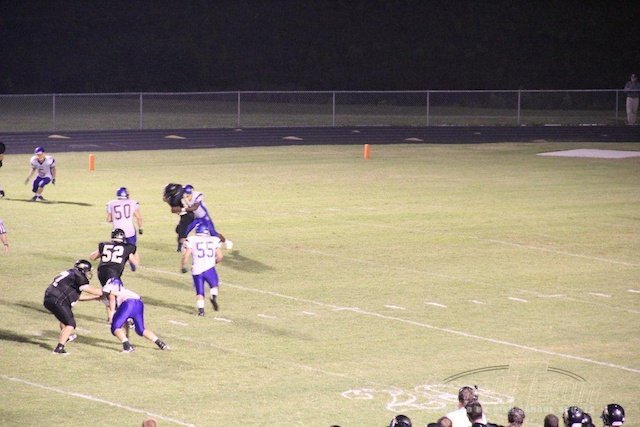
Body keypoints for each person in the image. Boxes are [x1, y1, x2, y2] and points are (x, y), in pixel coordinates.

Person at [43, 259, 103, 354]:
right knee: (70, 324)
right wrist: (110, 292)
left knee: (64, 320)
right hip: (58, 300)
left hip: (49, 298)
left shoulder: (70, 273)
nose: (89, 273)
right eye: (88, 271)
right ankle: (59, 348)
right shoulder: (79, 277)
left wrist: (95, 298)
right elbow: (94, 291)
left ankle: (66, 337)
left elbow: (76, 297)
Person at [102, 277, 168, 352]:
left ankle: (127, 347)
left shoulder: (112, 292)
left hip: (128, 304)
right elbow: (125, 320)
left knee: (115, 327)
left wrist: (111, 315)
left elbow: (112, 301)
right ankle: (160, 343)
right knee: (141, 330)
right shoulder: (125, 291)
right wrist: (127, 335)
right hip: (139, 303)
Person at [90, 228, 139, 321]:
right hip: (113, 273)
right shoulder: (128, 247)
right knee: (116, 295)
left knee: (108, 293)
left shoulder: (104, 245)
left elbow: (92, 257)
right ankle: (116, 316)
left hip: (101, 272)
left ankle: (110, 316)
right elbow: (135, 263)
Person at [180, 223, 224, 316]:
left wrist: (183, 266)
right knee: (214, 286)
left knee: (199, 291)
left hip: (196, 269)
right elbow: (220, 256)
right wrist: (214, 262)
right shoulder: (213, 240)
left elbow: (186, 255)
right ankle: (213, 296)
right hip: (209, 267)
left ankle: (201, 311)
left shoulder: (192, 240)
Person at [180, 184, 232, 250]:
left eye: (187, 194)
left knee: (213, 233)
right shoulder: (183, 198)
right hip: (195, 218)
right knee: (185, 231)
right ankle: (184, 246)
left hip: (204, 217)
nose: (185, 196)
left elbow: (195, 207)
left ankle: (227, 242)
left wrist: (182, 209)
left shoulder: (197, 196)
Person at [106, 187, 143, 270]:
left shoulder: (111, 203)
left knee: (117, 248)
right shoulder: (132, 202)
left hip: (117, 231)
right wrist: (140, 227)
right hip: (130, 230)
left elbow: (109, 219)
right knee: (133, 248)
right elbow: (139, 217)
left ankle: (117, 262)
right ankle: (135, 264)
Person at [163, 183, 194, 252]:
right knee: (179, 230)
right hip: (185, 213)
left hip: (188, 214)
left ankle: (181, 248)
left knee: (181, 232)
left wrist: (180, 209)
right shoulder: (178, 188)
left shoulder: (178, 199)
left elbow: (177, 209)